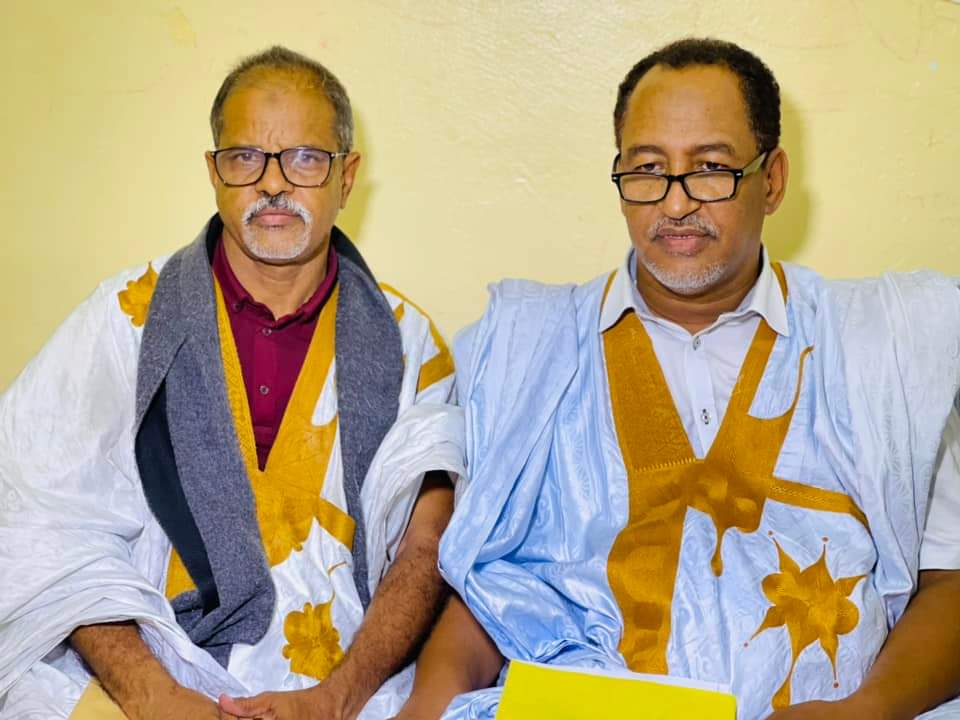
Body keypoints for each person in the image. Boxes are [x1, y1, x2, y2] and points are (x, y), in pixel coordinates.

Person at [396, 38, 960, 720]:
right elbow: (484, 590)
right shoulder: (528, 348)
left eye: (712, 168)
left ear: (773, 179)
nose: (676, 203)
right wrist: (425, 707)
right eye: (648, 169)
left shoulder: (882, 349)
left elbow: (949, 580)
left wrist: (867, 710)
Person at [0, 46, 464, 720]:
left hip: (348, 689)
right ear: (214, 173)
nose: (273, 183)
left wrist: (334, 700)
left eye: (305, 158)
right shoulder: (125, 319)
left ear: (346, 176)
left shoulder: (407, 343)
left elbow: (427, 545)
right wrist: (153, 695)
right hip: (143, 676)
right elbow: (42, 521)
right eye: (246, 157)